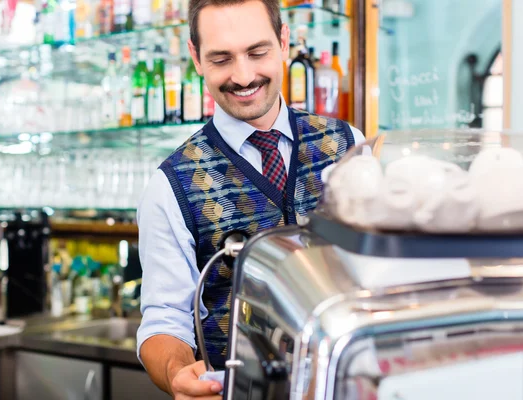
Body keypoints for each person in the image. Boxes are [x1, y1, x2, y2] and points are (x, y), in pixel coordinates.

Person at [136, 0, 365, 397]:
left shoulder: (348, 146)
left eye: (257, 52)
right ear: (196, 57)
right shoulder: (170, 186)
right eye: (221, 58)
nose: (243, 76)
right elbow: (164, 319)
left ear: (283, 41)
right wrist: (176, 373)